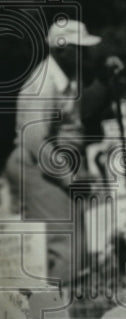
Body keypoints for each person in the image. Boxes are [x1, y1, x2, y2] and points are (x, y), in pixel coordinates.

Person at [3, 18, 109, 286]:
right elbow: (36, 141)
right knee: (67, 246)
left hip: (53, 165)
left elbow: (76, 119)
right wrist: (69, 179)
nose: (86, 54)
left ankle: (65, 310)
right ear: (61, 49)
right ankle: (56, 318)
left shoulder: (65, 77)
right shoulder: (44, 84)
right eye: (80, 48)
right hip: (37, 166)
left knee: (76, 242)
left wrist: (106, 79)